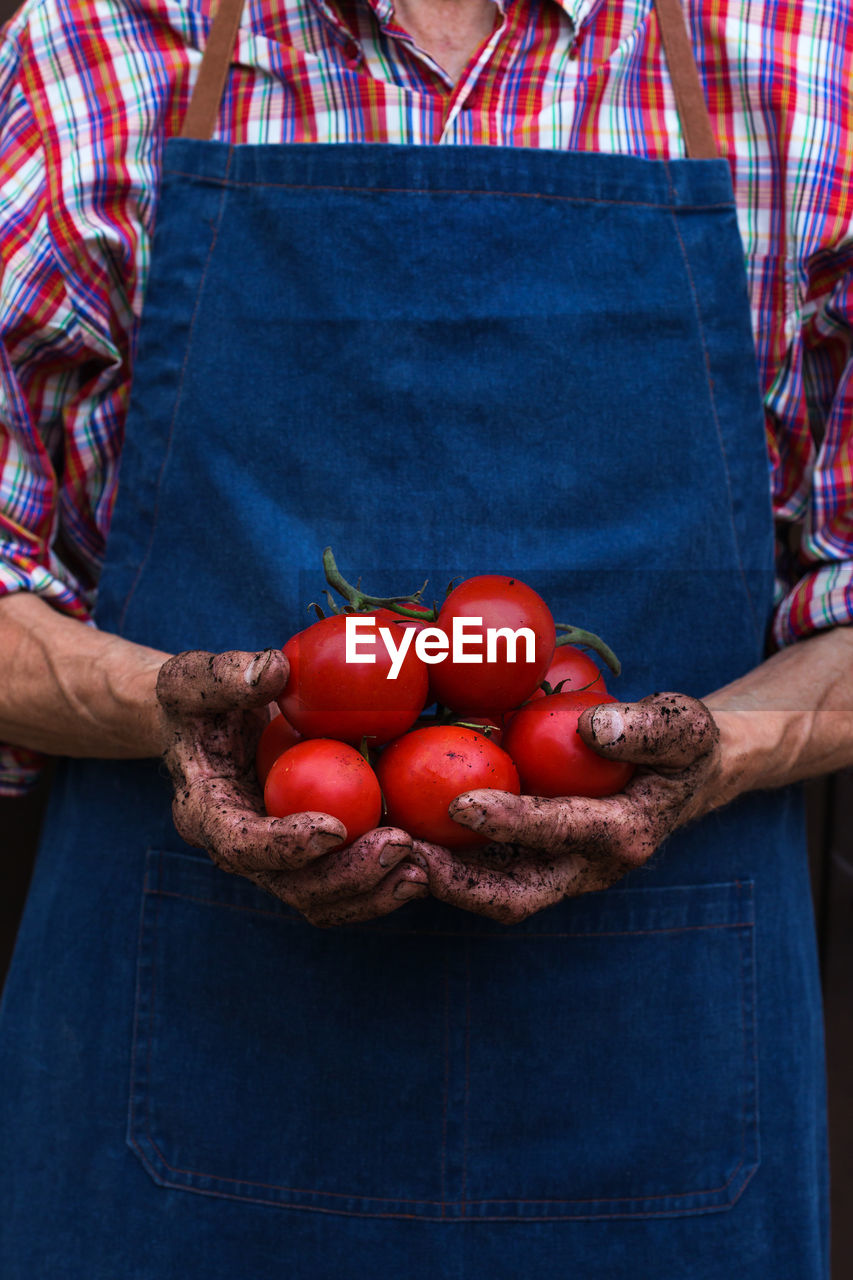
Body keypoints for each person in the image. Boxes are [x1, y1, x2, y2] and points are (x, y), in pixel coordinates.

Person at [0, 0, 850, 1275]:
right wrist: (171, 707)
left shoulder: (810, 58)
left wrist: (716, 751)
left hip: (663, 1079)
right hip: (178, 1060)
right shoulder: (98, 45)